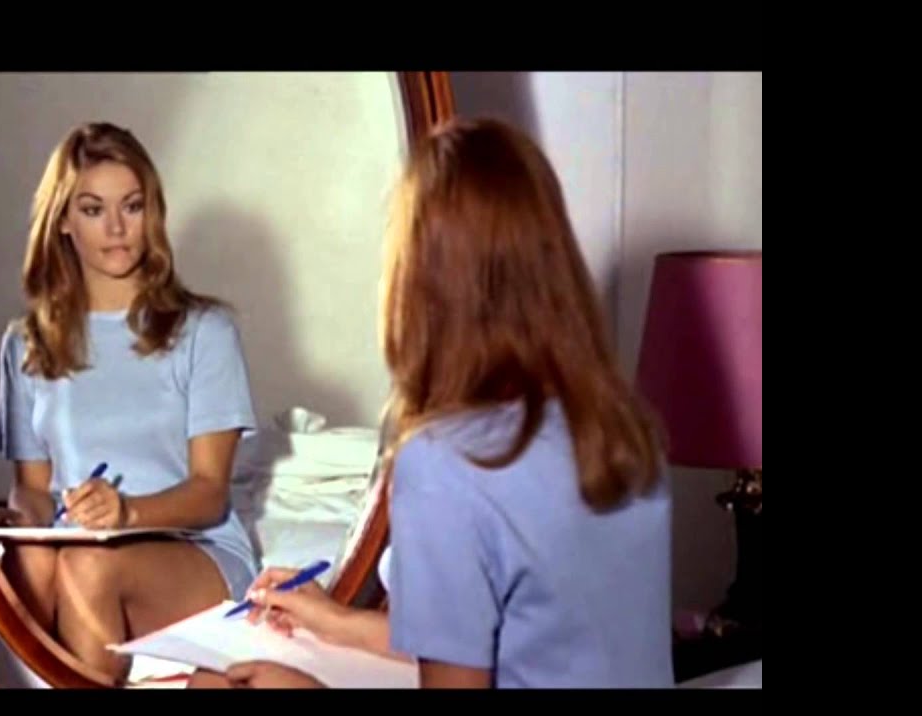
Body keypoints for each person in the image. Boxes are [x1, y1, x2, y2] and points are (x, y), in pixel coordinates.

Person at [189, 116, 673, 689]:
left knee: (213, 683)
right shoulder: (623, 433)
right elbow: (508, 639)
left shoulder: (445, 463)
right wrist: (339, 622)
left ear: (420, 281)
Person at [0, 122, 259, 685]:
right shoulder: (25, 343)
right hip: (76, 542)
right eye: (93, 210)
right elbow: (34, 488)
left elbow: (209, 491)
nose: (116, 228)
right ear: (63, 220)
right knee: (30, 560)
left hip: (193, 549)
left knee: (87, 566)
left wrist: (127, 512)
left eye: (131, 206)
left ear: (151, 212)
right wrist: (18, 522)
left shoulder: (204, 331)